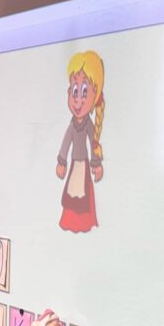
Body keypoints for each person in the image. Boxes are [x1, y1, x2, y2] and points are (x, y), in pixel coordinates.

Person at [56, 50, 105, 233]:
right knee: (72, 193)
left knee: (82, 194)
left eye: (84, 91)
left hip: (83, 164)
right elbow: (65, 143)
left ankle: (83, 223)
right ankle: (70, 222)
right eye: (75, 91)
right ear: (69, 92)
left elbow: (93, 144)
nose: (77, 100)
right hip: (74, 164)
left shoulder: (88, 125)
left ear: (95, 93)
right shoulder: (72, 126)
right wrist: (62, 162)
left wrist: (96, 164)